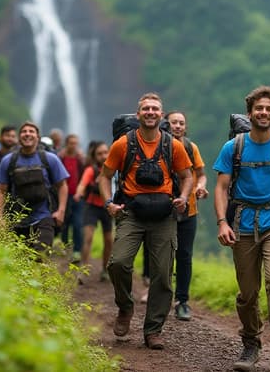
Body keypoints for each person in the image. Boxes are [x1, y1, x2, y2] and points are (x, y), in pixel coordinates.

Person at [99, 92, 193, 350]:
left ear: (161, 116)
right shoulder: (123, 144)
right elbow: (104, 176)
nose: (150, 112)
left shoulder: (172, 145)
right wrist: (109, 203)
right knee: (117, 263)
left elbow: (187, 176)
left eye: (155, 109)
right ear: (138, 114)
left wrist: (183, 197)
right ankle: (125, 306)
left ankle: (153, 330)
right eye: (146, 109)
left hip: (164, 215)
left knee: (163, 275)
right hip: (131, 213)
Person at [213, 85, 270, 372]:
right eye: (259, 108)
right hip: (242, 224)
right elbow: (221, 187)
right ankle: (251, 342)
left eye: (269, 109)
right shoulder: (234, 147)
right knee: (248, 292)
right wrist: (221, 222)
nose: (263, 112)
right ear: (250, 112)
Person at [0, 121, 69, 257]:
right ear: (19, 138)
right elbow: (1, 190)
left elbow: (62, 185)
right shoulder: (8, 161)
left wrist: (61, 211)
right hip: (17, 220)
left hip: (44, 217)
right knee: (21, 262)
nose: (27, 134)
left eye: (31, 131)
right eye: (24, 131)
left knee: (41, 257)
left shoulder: (50, 159)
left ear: (38, 137)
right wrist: (0, 218)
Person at [166, 111, 208, 320]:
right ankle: (161, 298)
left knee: (184, 256)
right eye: (174, 122)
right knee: (163, 257)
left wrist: (200, 187)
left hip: (189, 210)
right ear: (167, 124)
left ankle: (182, 301)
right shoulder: (160, 146)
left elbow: (201, 175)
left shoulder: (191, 148)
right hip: (162, 211)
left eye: (181, 123)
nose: (178, 126)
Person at [74, 141, 112, 281]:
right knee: (88, 237)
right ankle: (83, 270)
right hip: (91, 207)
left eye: (105, 152)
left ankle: (105, 270)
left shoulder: (114, 169)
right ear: (94, 156)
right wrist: (78, 194)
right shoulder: (91, 170)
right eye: (99, 154)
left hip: (108, 207)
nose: (103, 156)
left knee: (109, 240)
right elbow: (82, 184)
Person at [58, 134, 85, 262]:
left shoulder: (80, 159)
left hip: (78, 196)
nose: (73, 146)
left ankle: (77, 251)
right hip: (64, 195)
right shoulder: (61, 157)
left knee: (78, 224)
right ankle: (64, 244)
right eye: (71, 143)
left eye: (75, 143)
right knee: (65, 222)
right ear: (66, 144)